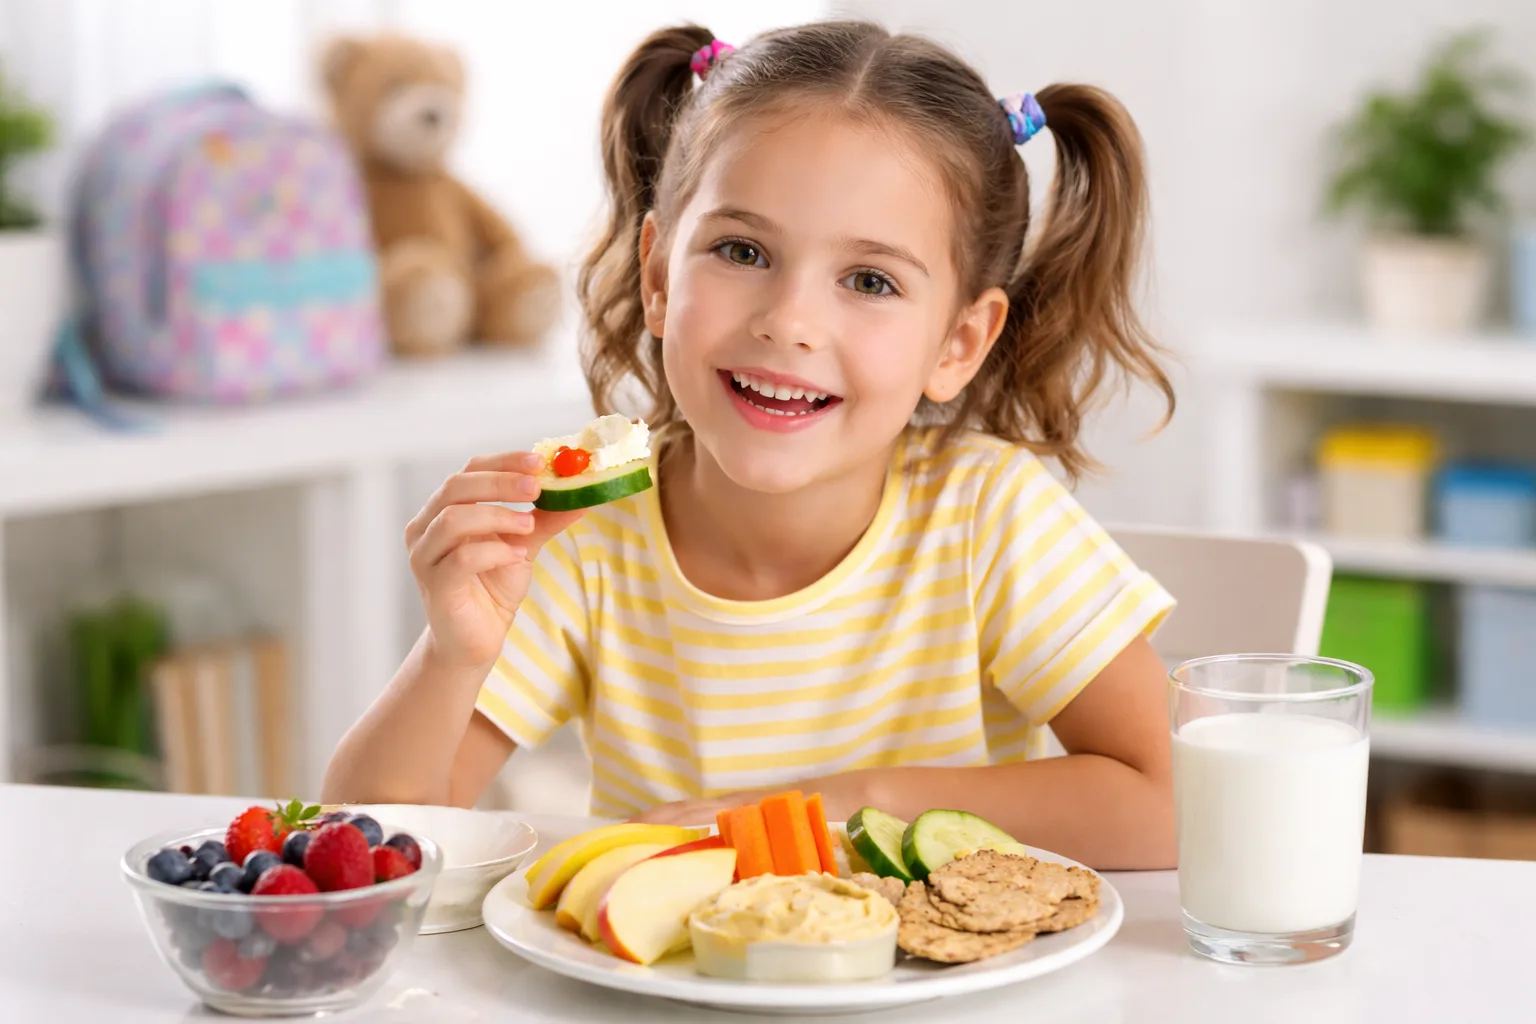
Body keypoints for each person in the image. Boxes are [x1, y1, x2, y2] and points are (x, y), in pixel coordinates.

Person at [323, 19, 1180, 870]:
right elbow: (365, 853)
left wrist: (843, 805)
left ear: (958, 342)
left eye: (870, 280)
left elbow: (1175, 804)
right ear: (659, 278)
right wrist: (452, 654)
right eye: (742, 251)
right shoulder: (588, 532)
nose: (789, 322)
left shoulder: (987, 518)